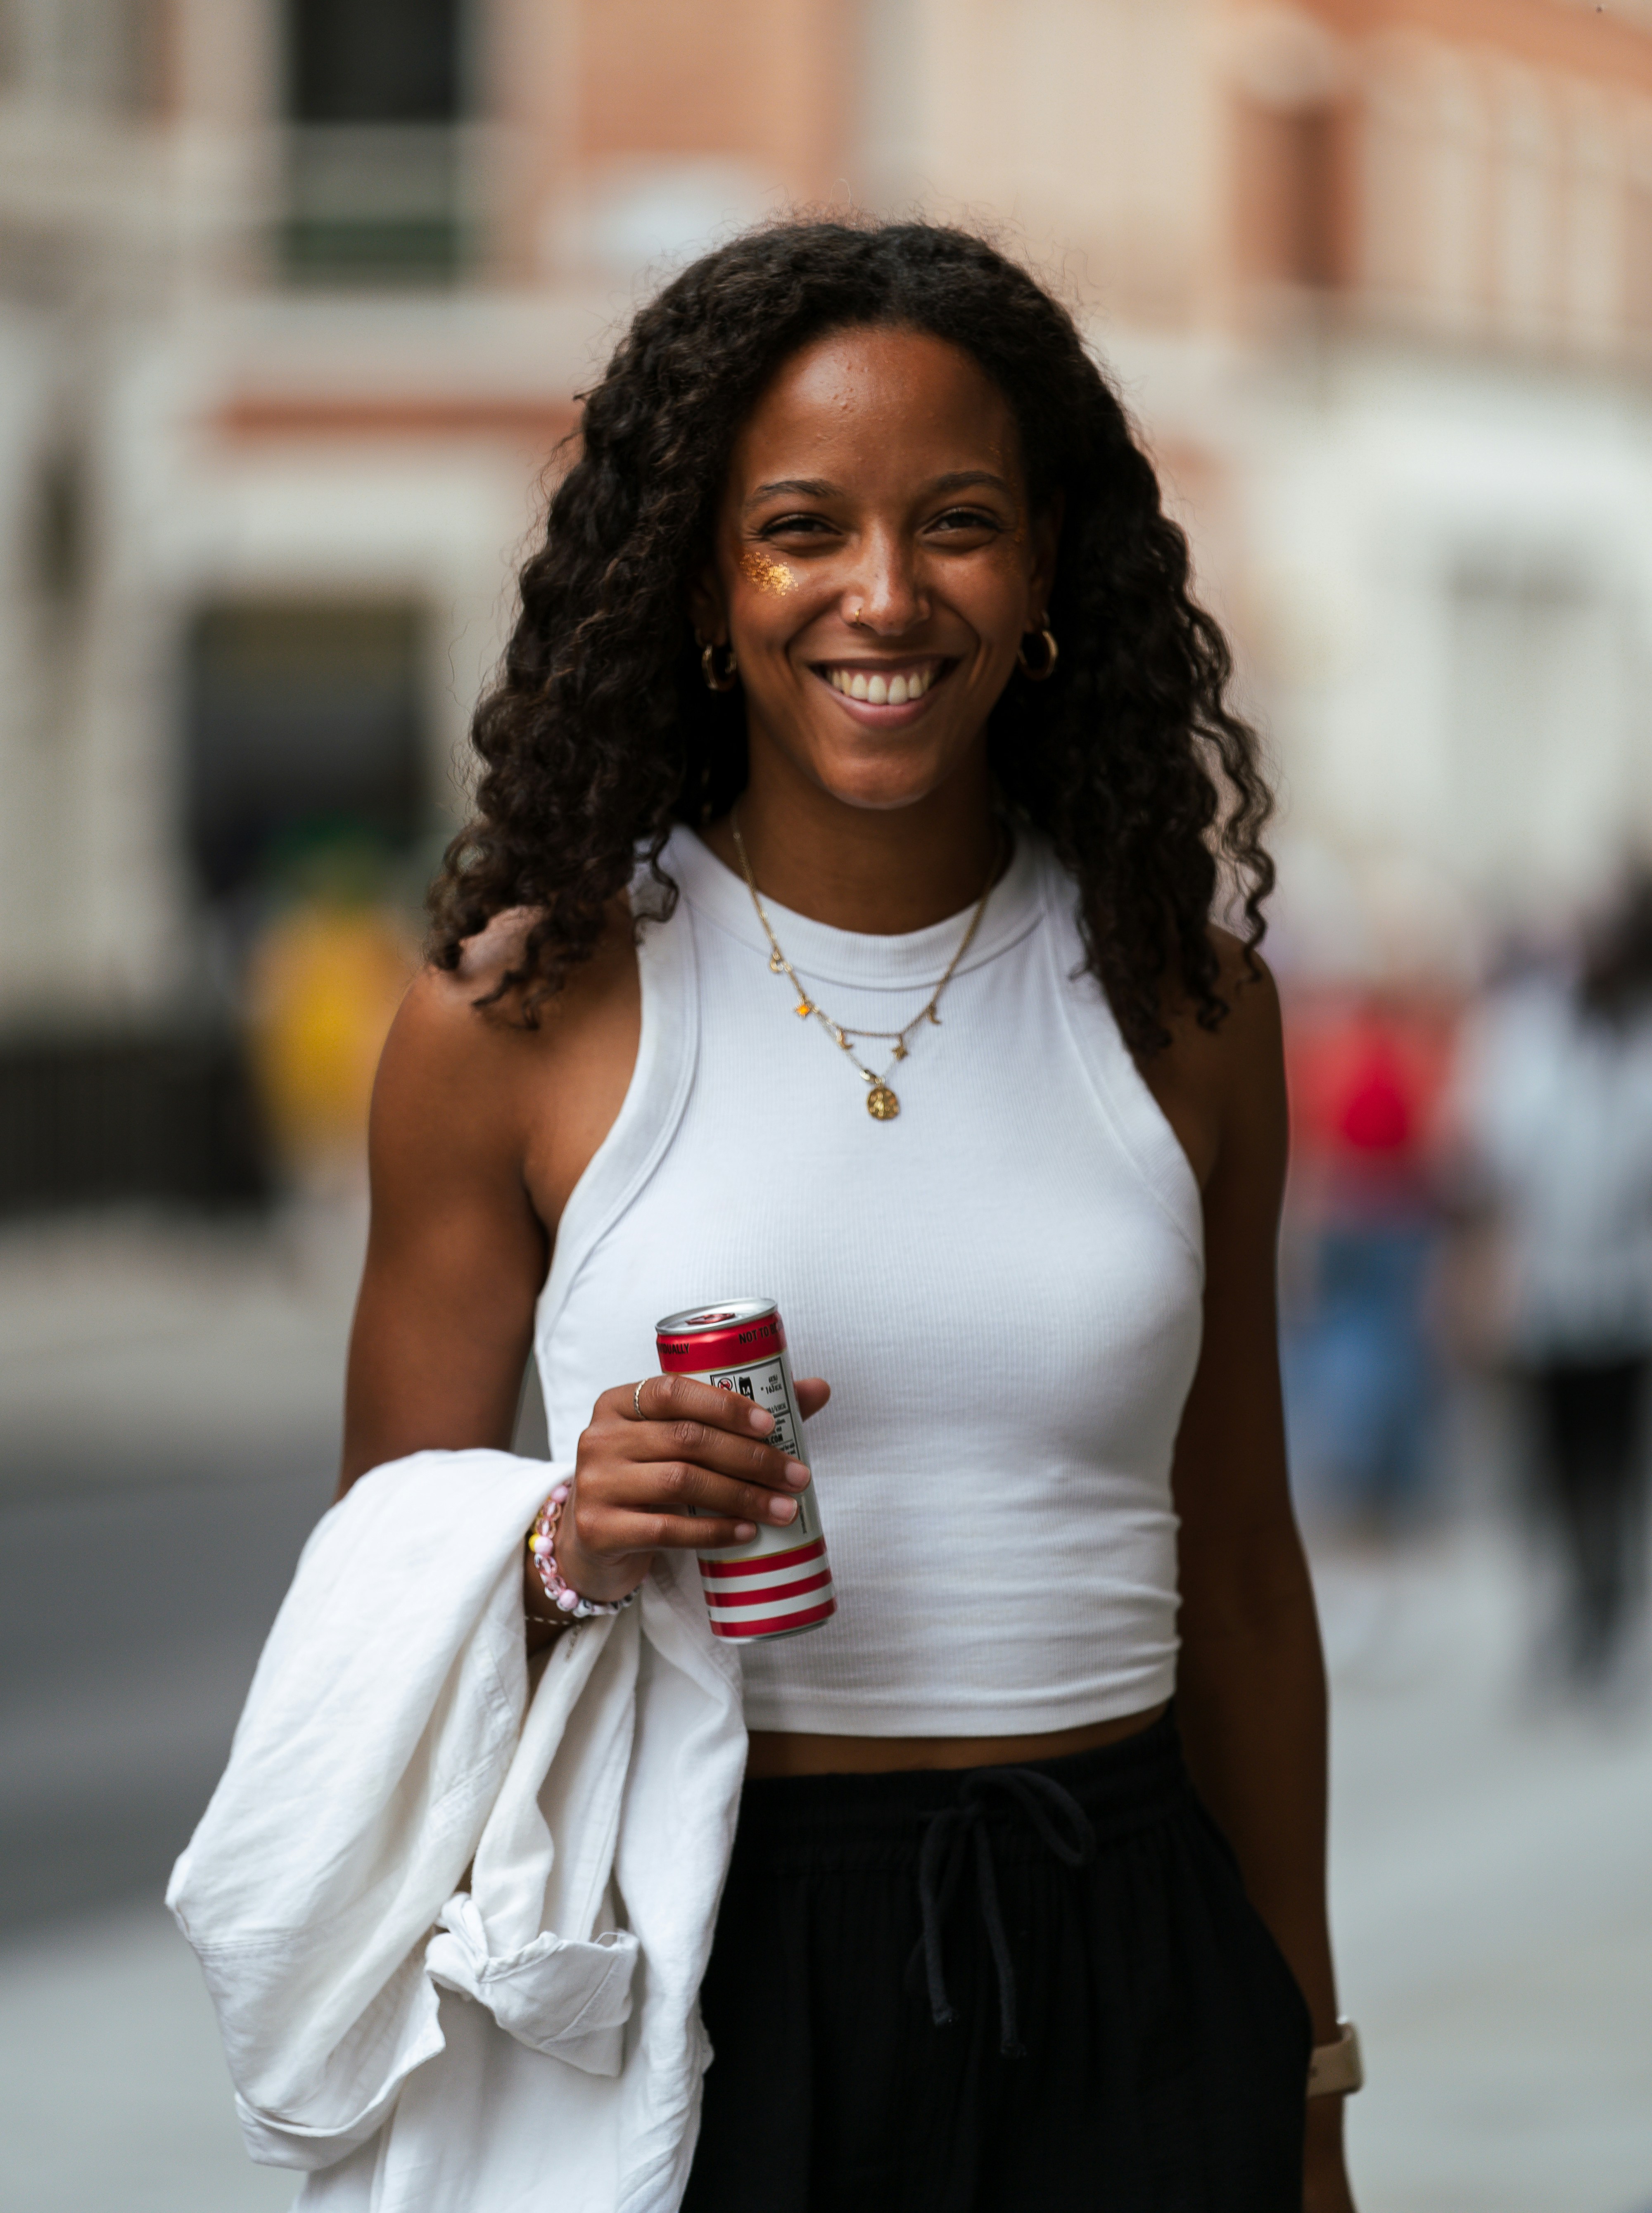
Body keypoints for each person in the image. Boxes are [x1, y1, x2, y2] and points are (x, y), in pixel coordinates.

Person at [342, 220, 1358, 2210]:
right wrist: (563, 1534)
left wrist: (1305, 2067)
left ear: (1045, 564)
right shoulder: (518, 1014)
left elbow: (1239, 1573)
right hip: (707, 1958)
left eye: (956, 521)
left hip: (1126, 1938)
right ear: (705, 584)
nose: (880, 594)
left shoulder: (1187, 1007)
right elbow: (377, 1601)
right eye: (800, 527)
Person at [1457, 878, 1652, 1681]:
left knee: (1616, 1457)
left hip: (1628, 1293)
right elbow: (1494, 1150)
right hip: (1548, 1291)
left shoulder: (1636, 1041)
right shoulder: (1529, 1035)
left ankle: (1606, 1602)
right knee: (1552, 1459)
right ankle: (1566, 1605)